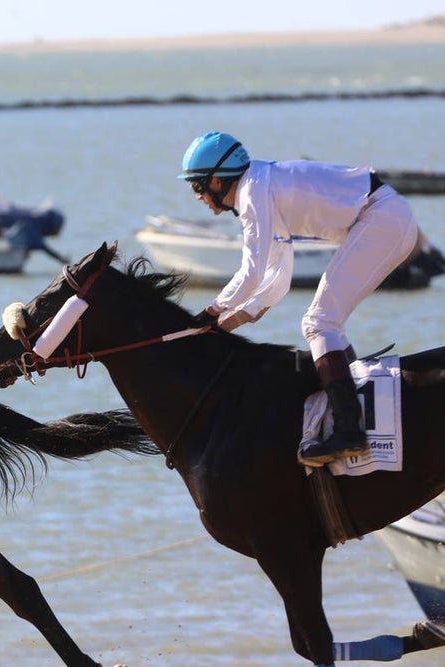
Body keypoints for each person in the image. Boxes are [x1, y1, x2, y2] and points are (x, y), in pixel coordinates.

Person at [178, 130, 420, 464]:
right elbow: (277, 278)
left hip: (382, 219)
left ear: (217, 181)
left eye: (196, 186)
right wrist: (231, 321)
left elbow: (251, 273)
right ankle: (350, 413)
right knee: (325, 324)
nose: (198, 197)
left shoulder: (253, 193)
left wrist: (211, 311)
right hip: (386, 217)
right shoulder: (261, 187)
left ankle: (350, 432)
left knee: (319, 322)